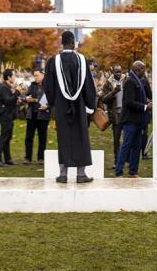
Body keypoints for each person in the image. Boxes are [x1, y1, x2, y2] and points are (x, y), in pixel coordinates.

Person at [43, 31, 98, 183]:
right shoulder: (82, 60)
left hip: (61, 105)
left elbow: (47, 86)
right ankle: (81, 174)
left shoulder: (53, 61)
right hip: (79, 105)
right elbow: (88, 85)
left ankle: (63, 174)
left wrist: (53, 103)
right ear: (73, 43)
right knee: (80, 136)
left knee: (64, 137)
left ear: (62, 43)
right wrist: (90, 105)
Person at [114, 60, 152, 178]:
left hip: (139, 120)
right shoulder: (130, 81)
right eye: (143, 70)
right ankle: (119, 171)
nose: (144, 73)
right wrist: (145, 106)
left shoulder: (139, 81)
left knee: (137, 146)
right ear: (137, 69)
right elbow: (129, 102)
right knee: (126, 145)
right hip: (130, 120)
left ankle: (133, 171)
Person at [100, 65, 125, 169]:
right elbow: (104, 99)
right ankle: (117, 161)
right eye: (116, 72)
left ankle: (126, 159)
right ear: (113, 72)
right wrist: (114, 91)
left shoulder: (126, 80)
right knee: (116, 139)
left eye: (120, 72)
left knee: (127, 138)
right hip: (115, 115)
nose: (118, 74)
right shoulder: (108, 83)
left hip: (126, 113)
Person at [24, 69, 49, 165]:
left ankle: (41, 158)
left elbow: (53, 99)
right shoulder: (32, 85)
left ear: (42, 75)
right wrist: (27, 99)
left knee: (42, 138)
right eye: (34, 75)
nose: (35, 77)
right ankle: (27, 158)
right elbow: (26, 96)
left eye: (36, 75)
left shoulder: (48, 85)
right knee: (29, 137)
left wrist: (47, 106)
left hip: (43, 115)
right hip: (32, 115)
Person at [0, 68, 21, 167]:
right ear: (9, 77)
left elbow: (11, 100)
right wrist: (17, 92)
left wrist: (17, 100)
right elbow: (7, 100)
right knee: (3, 137)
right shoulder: (3, 87)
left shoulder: (8, 86)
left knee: (8, 137)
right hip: (5, 115)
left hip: (10, 115)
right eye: (13, 76)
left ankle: (8, 158)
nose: (14, 78)